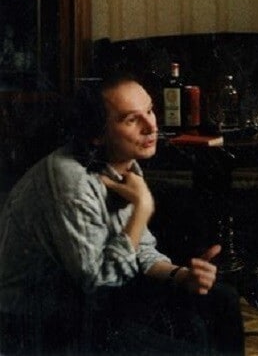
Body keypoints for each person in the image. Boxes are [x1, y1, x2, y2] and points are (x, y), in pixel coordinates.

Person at [0, 73, 245, 355]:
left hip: (93, 299)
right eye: (131, 119)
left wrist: (182, 276)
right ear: (97, 134)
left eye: (149, 111)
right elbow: (98, 281)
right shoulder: (72, 180)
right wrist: (142, 208)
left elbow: (139, 251)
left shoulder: (122, 163)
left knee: (221, 300)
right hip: (34, 318)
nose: (150, 126)